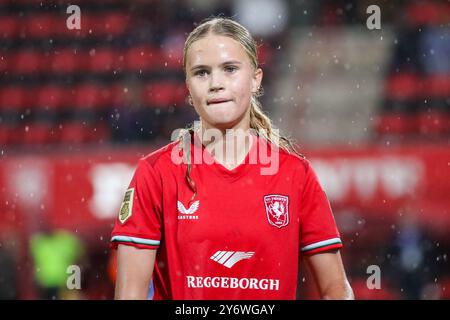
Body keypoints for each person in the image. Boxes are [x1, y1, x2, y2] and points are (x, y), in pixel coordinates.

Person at [110, 17, 353, 300]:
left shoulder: (295, 174)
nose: (216, 83)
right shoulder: (156, 173)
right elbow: (130, 295)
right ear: (187, 85)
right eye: (201, 73)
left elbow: (336, 289)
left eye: (229, 69)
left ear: (255, 79)